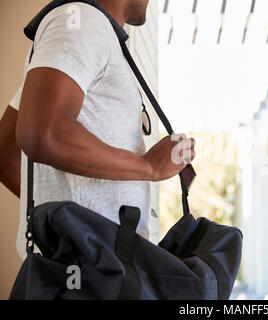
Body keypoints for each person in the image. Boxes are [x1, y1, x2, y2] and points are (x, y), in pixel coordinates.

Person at [0, 0, 195, 261]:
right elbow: (42, 132)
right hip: (92, 277)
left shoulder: (87, 31)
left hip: (89, 271)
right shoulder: (81, 22)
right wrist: (149, 167)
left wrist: (67, 221)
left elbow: (6, 151)